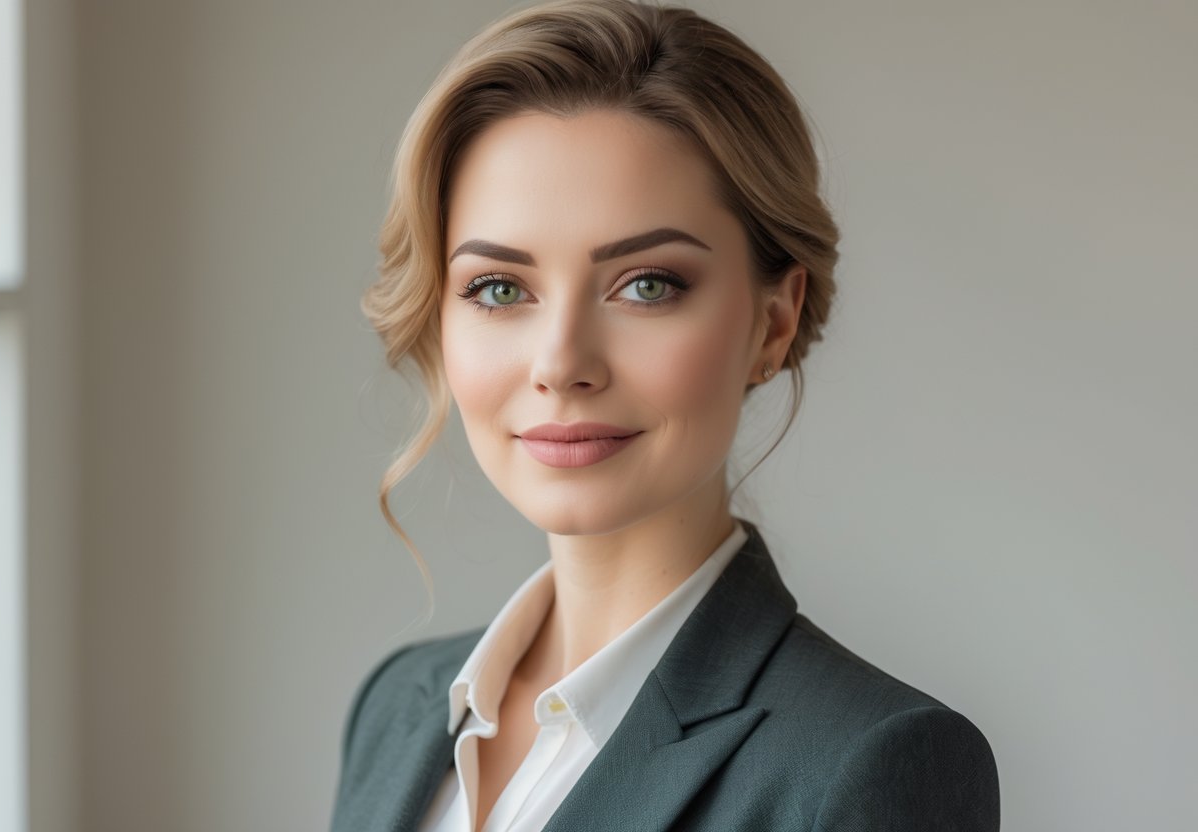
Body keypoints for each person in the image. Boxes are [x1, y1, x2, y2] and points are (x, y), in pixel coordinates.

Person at [331, 1, 1000, 830]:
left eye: (646, 285)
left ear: (773, 322)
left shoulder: (867, 762)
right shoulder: (395, 707)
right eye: (498, 289)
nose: (560, 364)